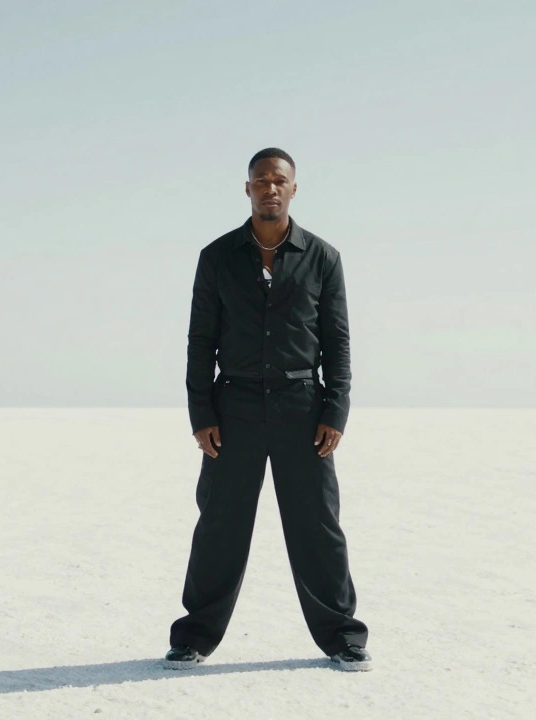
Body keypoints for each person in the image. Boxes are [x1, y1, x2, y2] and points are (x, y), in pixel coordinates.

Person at [163, 148, 371, 672]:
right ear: (248, 189)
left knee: (318, 526)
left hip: (302, 409)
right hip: (233, 409)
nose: (270, 189)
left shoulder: (323, 258)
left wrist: (336, 409)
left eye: (279, 181)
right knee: (219, 525)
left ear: (294, 189)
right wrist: (201, 413)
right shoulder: (217, 257)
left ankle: (343, 637)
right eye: (261, 181)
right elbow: (200, 340)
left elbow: (338, 342)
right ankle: (193, 636)